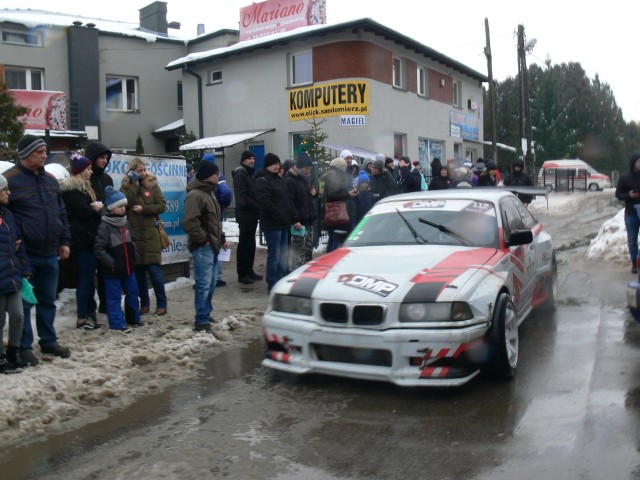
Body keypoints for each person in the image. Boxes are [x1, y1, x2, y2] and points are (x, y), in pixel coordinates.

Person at [5, 134, 72, 365]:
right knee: (24, 303)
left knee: (47, 299)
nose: (45, 155)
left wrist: (64, 241)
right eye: (39, 152)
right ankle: (23, 347)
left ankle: (49, 340)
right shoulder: (9, 181)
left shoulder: (51, 181)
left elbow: (61, 213)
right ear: (25, 155)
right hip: (24, 255)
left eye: (45, 151)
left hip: (50, 251)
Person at [183, 161, 228, 334]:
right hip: (203, 247)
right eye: (216, 173)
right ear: (208, 175)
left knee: (210, 284)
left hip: (212, 245)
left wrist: (221, 238)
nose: (219, 176)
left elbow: (214, 221)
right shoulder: (195, 195)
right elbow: (189, 222)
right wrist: (204, 240)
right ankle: (201, 320)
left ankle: (206, 314)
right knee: (203, 284)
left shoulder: (209, 193)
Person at [60, 152, 103, 330]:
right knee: (85, 279)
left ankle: (88, 314)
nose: (91, 172)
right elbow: (83, 213)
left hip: (88, 239)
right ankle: (82, 317)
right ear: (80, 171)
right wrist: (96, 209)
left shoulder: (83, 188)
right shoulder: (72, 191)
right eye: (88, 169)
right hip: (82, 241)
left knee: (88, 279)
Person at [120, 157, 168, 316]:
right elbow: (125, 203)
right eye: (139, 170)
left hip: (151, 234)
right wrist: (133, 184)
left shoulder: (152, 184)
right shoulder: (126, 185)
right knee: (139, 273)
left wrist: (144, 209)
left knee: (155, 272)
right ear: (132, 170)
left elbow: (162, 205)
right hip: (134, 234)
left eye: (144, 170)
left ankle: (162, 304)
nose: (143, 173)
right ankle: (144, 303)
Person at [94, 187, 139, 333]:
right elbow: (99, 249)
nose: (122, 209)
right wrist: (112, 263)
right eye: (119, 206)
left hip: (128, 266)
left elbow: (132, 242)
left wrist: (134, 256)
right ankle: (117, 324)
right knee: (114, 297)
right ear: (112, 207)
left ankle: (133, 319)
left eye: (124, 206)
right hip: (112, 270)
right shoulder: (105, 226)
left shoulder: (126, 222)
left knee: (132, 293)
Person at [0, 174, 31, 373]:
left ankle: (13, 351)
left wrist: (25, 267)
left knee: (18, 315)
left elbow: (19, 243)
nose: (9, 192)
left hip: (12, 274)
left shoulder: (8, 214)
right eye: (5, 189)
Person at [255, 153, 292, 292]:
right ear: (267, 165)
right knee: (274, 256)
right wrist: (280, 215)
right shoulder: (262, 180)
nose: (277, 166)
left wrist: (289, 216)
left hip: (283, 224)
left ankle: (281, 281)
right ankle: (272, 284)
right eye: (274, 164)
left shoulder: (279, 179)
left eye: (278, 164)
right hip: (272, 225)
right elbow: (265, 202)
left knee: (283, 255)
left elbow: (286, 200)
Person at [84, 140, 113, 315]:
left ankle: (106, 304)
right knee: (88, 276)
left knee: (105, 273)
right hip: (88, 232)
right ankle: (89, 310)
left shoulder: (107, 178)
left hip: (106, 230)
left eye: (106, 158)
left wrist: (104, 209)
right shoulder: (85, 178)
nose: (104, 161)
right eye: (101, 157)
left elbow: (112, 202)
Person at [201, 153, 232, 287]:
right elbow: (226, 193)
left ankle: (208, 278)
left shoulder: (200, 177)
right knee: (216, 245)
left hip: (204, 218)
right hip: (216, 216)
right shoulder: (219, 176)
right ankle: (217, 276)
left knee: (207, 247)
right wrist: (223, 205)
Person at [232, 150, 263, 284]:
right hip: (245, 215)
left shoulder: (249, 174)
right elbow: (242, 197)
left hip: (251, 214)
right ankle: (242, 273)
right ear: (243, 160)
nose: (252, 161)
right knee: (244, 244)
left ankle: (249, 270)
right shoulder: (240, 174)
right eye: (249, 158)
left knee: (251, 244)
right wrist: (256, 205)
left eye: (253, 158)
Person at [285, 152, 317, 271]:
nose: (308, 170)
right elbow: (290, 202)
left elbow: (309, 197)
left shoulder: (307, 178)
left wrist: (314, 193)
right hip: (299, 223)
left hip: (308, 220)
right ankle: (295, 275)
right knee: (298, 254)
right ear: (300, 167)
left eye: (310, 168)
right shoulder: (290, 180)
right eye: (306, 168)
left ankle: (307, 274)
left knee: (308, 252)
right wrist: (295, 220)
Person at [320, 157, 356, 252]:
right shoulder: (336, 177)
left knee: (332, 239)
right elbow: (333, 195)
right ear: (341, 167)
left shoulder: (330, 175)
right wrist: (348, 194)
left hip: (331, 213)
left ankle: (328, 260)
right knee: (337, 241)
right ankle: (332, 261)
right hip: (337, 213)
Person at [615, 151, 640, 273]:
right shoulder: (625, 178)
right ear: (634, 163)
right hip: (631, 213)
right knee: (632, 239)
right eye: (639, 161)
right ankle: (634, 263)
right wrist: (629, 195)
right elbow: (618, 195)